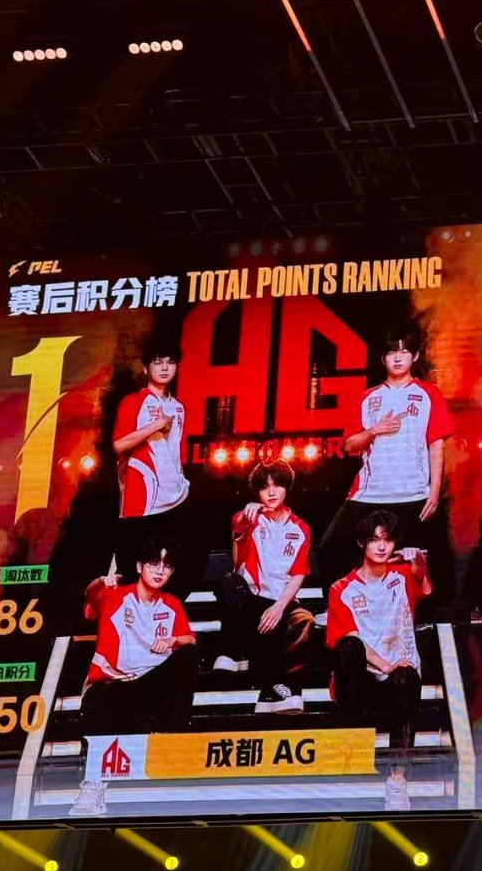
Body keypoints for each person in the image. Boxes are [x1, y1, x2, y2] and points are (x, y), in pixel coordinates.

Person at [70, 536, 197, 817]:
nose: (160, 571)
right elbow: (90, 595)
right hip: (112, 683)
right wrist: (102, 581)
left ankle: (169, 739)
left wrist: (174, 639)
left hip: (149, 683)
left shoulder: (172, 604)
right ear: (140, 567)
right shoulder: (115, 595)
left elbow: (190, 639)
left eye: (166, 566)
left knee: (187, 655)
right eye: (153, 563)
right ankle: (92, 786)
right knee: (100, 700)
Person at [319, 330, 453, 582]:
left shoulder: (429, 394)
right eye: (392, 353)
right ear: (383, 359)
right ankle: (354, 601)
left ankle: (410, 606)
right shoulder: (367, 398)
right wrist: (374, 430)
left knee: (428, 564)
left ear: (415, 356)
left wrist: (434, 492)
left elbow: (436, 445)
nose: (398, 358)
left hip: (414, 494)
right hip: (371, 494)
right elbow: (349, 446)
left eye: (404, 352)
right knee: (330, 551)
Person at [327, 510, 430, 752]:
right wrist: (386, 666)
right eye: (375, 540)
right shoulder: (341, 589)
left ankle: (399, 771)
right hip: (360, 681)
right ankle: (354, 752)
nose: (382, 547)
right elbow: (349, 639)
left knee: (406, 676)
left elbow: (420, 574)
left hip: (397, 680)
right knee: (349, 646)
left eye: (388, 540)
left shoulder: (403, 576)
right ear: (361, 542)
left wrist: (417, 558)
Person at [218, 460, 316, 714]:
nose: (271, 492)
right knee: (229, 581)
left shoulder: (301, 528)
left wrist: (279, 607)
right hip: (252, 601)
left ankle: (286, 689)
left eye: (277, 485)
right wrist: (244, 521)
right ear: (257, 492)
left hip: (280, 602)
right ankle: (234, 650)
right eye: (265, 487)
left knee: (304, 618)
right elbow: (236, 561)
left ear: (287, 488)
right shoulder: (247, 518)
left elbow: (298, 574)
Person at [112, 338, 191, 580]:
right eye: (158, 362)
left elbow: (176, 451)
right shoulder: (133, 402)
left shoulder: (178, 407)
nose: (165, 368)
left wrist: (181, 481)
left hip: (174, 496)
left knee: (166, 568)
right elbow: (119, 444)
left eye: (170, 362)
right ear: (146, 368)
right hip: (142, 497)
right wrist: (155, 425)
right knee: (134, 569)